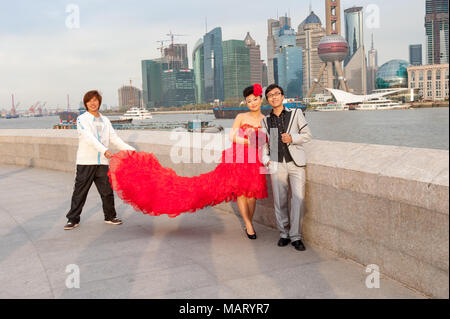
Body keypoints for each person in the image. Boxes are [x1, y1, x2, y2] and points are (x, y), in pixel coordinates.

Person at [107, 84, 268, 239]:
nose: (252, 103)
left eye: (255, 99)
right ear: (246, 103)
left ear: (261, 99)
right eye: (249, 101)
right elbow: (232, 136)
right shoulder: (241, 117)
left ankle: (249, 221)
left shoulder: (265, 120)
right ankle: (249, 225)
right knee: (241, 193)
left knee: (252, 195)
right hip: (238, 159)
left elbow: (267, 141)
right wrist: (249, 141)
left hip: (255, 161)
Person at [64, 90, 136, 230]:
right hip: (86, 162)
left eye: (95, 100)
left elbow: (114, 138)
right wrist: (104, 150)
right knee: (80, 192)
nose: (93, 103)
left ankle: (110, 216)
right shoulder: (82, 119)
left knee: (107, 191)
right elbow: (89, 138)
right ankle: (73, 219)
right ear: (86, 103)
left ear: (99, 102)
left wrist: (130, 150)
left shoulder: (105, 120)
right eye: (90, 100)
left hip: (102, 162)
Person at [260, 84, 312, 251]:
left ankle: (296, 236)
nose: (274, 97)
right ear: (267, 100)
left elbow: (307, 135)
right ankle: (284, 234)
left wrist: (292, 138)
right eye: (270, 95)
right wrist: (266, 161)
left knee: (298, 200)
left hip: (296, 163)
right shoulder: (265, 120)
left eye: (277, 94)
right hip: (276, 163)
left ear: (283, 96)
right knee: (280, 201)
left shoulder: (295, 113)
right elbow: (264, 145)